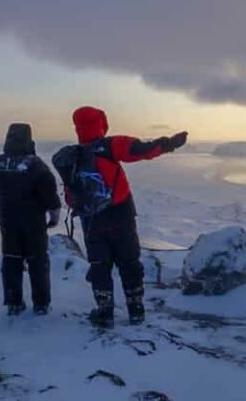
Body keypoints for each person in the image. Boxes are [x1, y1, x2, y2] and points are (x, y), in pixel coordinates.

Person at [52, 106, 188, 328]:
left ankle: (105, 314)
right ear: (101, 123)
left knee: (99, 267)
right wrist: (168, 144)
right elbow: (141, 149)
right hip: (120, 214)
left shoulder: (72, 157)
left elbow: (71, 198)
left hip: (92, 220)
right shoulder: (109, 146)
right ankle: (136, 310)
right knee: (129, 262)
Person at [0, 123, 62, 316]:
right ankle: (41, 304)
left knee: (11, 259)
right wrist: (54, 214)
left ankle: (13, 303)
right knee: (37, 260)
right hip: (33, 220)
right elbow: (49, 190)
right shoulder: (34, 164)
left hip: (6, 219)